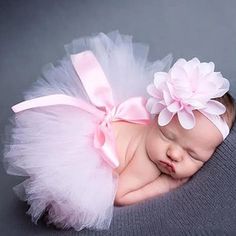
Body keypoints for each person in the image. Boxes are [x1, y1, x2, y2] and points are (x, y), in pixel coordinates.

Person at [3, 31, 235, 232]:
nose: (174, 154)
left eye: (193, 155)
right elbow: (121, 196)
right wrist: (164, 185)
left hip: (92, 131)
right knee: (68, 199)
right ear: (155, 119)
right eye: (168, 136)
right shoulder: (147, 166)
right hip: (82, 155)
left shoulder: (164, 145)